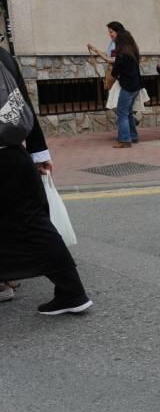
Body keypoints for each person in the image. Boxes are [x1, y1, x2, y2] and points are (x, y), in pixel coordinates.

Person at [0, 47, 93, 316]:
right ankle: (68, 290)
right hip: (14, 155)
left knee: (32, 225)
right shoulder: (4, 56)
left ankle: (72, 291)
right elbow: (22, 103)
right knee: (31, 222)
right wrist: (38, 152)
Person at [110, 31, 143, 149]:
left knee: (122, 113)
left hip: (127, 87)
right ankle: (133, 136)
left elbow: (114, 72)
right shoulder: (133, 53)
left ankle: (125, 139)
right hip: (136, 86)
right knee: (128, 113)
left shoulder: (122, 54)